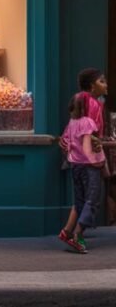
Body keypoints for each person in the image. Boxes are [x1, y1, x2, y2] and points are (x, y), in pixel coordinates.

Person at [59, 69, 108, 244]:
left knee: (79, 200)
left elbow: (68, 139)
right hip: (89, 162)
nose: (106, 84)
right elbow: (92, 138)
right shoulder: (94, 105)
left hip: (75, 162)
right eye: (102, 81)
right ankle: (78, 235)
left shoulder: (73, 121)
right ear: (92, 87)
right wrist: (101, 161)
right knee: (93, 199)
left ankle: (66, 231)